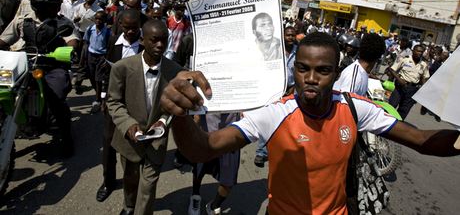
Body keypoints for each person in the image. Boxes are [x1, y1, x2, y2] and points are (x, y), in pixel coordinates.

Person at [160, 32, 460, 214]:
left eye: (323, 70)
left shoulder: (354, 108)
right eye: (303, 68)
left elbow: (421, 140)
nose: (311, 78)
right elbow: (203, 149)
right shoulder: (275, 114)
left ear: (336, 71)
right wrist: (180, 114)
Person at [107, 19, 183, 215]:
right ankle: (128, 206)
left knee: (148, 186)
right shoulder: (122, 68)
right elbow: (113, 102)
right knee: (130, 178)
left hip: (157, 140)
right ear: (142, 40)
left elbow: (176, 105)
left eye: (164, 40)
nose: (160, 45)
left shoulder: (175, 71)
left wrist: (164, 121)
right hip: (129, 140)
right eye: (154, 40)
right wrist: (129, 124)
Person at [0, 0, 80, 157]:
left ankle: (67, 138)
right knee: (3, 87)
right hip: (24, 64)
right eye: (54, 4)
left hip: (53, 66)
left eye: (59, 4)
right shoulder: (23, 20)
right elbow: (4, 38)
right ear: (39, 6)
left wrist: (69, 50)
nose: (58, 7)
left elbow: (72, 39)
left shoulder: (63, 23)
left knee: (56, 98)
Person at [95, 9, 145, 202]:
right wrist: (102, 98)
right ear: (120, 25)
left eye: (134, 28)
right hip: (113, 103)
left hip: (136, 104)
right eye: (127, 28)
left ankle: (132, 188)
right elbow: (104, 71)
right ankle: (108, 181)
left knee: (133, 147)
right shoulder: (113, 42)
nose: (131, 32)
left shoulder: (144, 46)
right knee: (108, 145)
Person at [253, 25, 297, 168]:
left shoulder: (299, 51)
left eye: (293, 35)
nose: (290, 38)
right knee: (268, 120)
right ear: (283, 36)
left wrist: (294, 88)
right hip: (274, 90)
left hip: (290, 91)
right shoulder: (275, 49)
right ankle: (261, 152)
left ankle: (279, 152)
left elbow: (299, 72)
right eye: (288, 35)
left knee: (285, 122)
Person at [188, 113, 241, 215]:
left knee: (228, 180)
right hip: (206, 131)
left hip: (232, 133)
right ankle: (195, 195)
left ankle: (214, 205)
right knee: (199, 170)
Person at [386, 44, 430, 120]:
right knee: (391, 107)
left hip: (412, 90)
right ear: (413, 51)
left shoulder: (424, 64)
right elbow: (392, 69)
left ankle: (396, 128)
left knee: (403, 112)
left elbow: (425, 78)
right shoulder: (404, 59)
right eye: (418, 51)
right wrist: (399, 79)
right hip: (400, 87)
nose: (419, 53)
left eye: (421, 52)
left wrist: (422, 91)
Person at [82, 10, 111, 113]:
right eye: (97, 19)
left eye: (101, 19)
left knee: (98, 78)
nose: (98, 21)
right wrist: (84, 57)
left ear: (104, 20)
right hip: (91, 55)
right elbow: (86, 42)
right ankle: (98, 93)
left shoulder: (107, 32)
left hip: (101, 56)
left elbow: (109, 47)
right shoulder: (90, 29)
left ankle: (98, 99)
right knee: (92, 76)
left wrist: (105, 59)